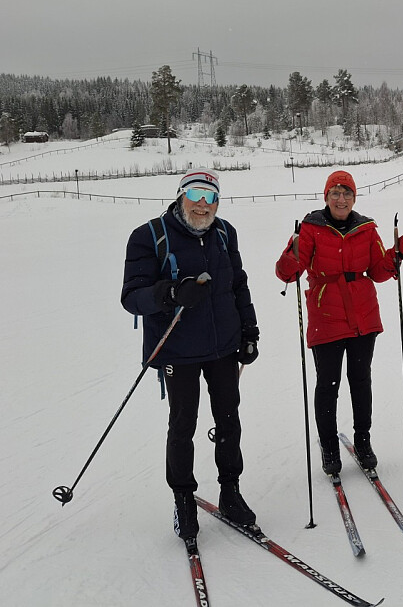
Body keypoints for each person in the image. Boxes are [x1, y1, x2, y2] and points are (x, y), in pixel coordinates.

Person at [121, 169, 260, 541]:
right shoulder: (149, 236)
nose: (203, 203)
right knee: (183, 426)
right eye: (196, 194)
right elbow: (132, 297)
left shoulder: (225, 233)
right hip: (177, 350)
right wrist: (170, 293)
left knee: (229, 420)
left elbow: (238, 284)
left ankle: (230, 492)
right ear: (181, 195)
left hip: (223, 346)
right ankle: (184, 499)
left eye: (211, 196)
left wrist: (250, 330)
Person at [275, 170, 403, 475]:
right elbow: (287, 272)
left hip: (364, 315)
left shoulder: (367, 229)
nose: (341, 199)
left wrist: (396, 255)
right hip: (326, 316)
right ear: (326, 197)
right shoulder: (310, 228)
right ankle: (329, 447)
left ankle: (363, 441)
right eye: (335, 193)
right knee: (328, 383)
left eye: (347, 193)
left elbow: (377, 270)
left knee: (361, 379)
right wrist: (290, 257)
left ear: (354, 197)